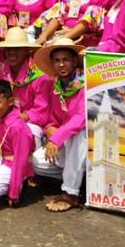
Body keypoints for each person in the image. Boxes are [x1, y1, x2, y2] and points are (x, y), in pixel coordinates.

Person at [28, 37, 89, 212]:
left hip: (83, 141)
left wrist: (57, 137)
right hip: (64, 142)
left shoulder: (85, 84)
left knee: (78, 135)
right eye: (57, 61)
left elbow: (80, 119)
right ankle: (77, 176)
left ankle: (70, 193)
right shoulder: (53, 85)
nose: (61, 65)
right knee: (36, 162)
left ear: (74, 61)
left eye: (65, 60)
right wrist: (50, 130)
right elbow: (50, 118)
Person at [0, 27, 44, 145]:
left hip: (30, 124)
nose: (12, 52)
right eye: (9, 48)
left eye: (17, 48)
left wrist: (17, 118)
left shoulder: (40, 76)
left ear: (26, 50)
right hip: (2, 121)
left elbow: (41, 111)